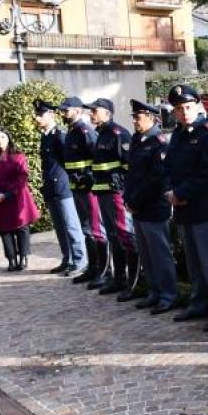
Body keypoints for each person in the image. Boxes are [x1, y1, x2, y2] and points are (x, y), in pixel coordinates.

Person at [164, 84, 208, 332]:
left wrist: (180, 193)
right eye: (179, 109)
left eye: (187, 107)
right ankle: (199, 303)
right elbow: (169, 167)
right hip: (183, 209)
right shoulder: (178, 135)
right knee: (194, 262)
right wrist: (170, 192)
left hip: (204, 208)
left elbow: (207, 173)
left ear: (197, 106)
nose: (184, 112)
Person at [124, 99, 177, 314]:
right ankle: (154, 292)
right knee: (146, 254)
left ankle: (168, 295)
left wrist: (135, 201)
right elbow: (132, 174)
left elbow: (156, 179)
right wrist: (128, 199)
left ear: (152, 118)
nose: (135, 121)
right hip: (138, 207)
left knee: (160, 254)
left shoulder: (159, 142)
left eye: (139, 117)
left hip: (154, 207)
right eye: (134, 117)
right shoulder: (137, 139)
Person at [86, 98, 137, 295]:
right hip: (102, 193)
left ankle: (134, 283)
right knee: (114, 236)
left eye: (94, 110)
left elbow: (128, 166)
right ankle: (119, 279)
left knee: (125, 235)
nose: (91, 114)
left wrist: (122, 188)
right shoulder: (101, 134)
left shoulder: (118, 134)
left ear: (107, 113)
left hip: (116, 193)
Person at [34, 99, 86, 276]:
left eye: (40, 114)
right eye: (37, 114)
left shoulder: (59, 135)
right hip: (51, 188)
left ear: (50, 115)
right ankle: (67, 259)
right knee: (60, 227)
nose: (37, 117)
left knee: (71, 226)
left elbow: (68, 163)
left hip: (63, 187)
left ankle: (79, 260)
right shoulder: (46, 136)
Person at [61, 97, 107, 285]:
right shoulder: (72, 132)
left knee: (96, 229)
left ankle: (103, 271)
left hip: (89, 188)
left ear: (77, 111)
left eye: (67, 110)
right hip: (77, 187)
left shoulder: (85, 131)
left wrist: (87, 176)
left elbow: (96, 159)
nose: (63, 113)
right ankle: (93, 267)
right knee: (86, 229)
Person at [0, 128, 40, 271]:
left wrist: (8, 193)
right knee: (4, 229)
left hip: (17, 195)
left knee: (21, 227)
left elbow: (22, 176)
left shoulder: (18, 156)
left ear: (8, 138)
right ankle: (11, 259)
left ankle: (23, 257)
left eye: (3, 137)